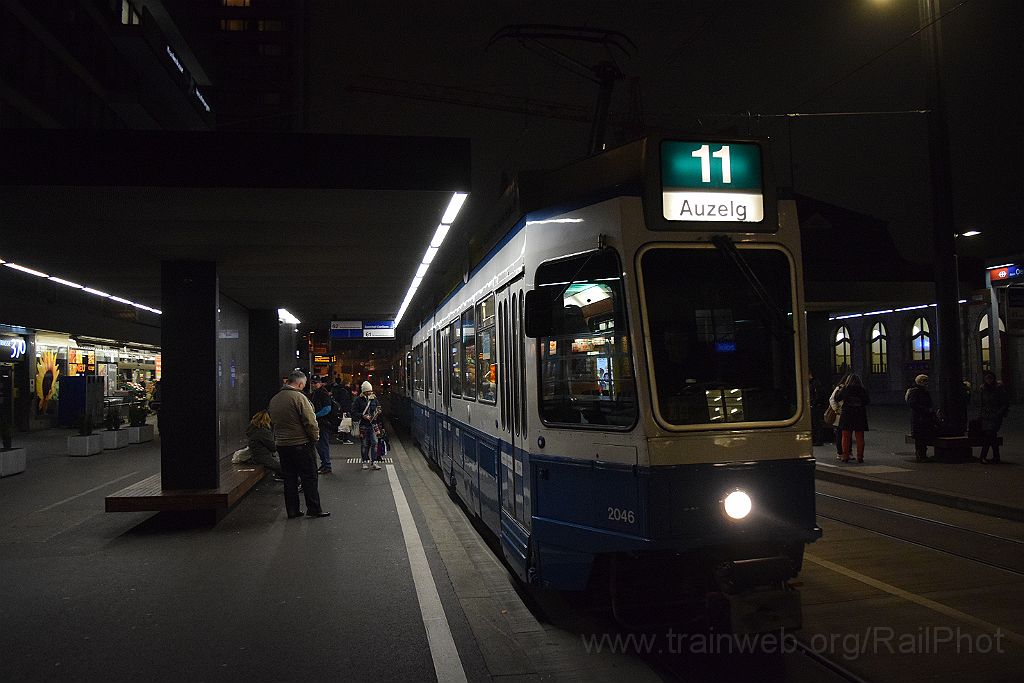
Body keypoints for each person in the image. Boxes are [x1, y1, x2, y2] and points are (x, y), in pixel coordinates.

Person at [267, 371, 329, 519]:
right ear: (300, 384)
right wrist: (315, 437)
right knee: (309, 476)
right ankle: (314, 508)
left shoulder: (275, 399)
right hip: (301, 443)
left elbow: (272, 420)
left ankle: (292, 510)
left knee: (289, 478)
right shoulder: (299, 398)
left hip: (282, 444)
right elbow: (310, 421)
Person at [977, 371, 1009, 464]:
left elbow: (1005, 402)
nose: (989, 380)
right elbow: (982, 403)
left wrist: (999, 413)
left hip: (995, 415)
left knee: (989, 434)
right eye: (987, 378)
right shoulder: (983, 389)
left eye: (990, 378)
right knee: (992, 436)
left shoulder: (999, 388)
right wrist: (980, 415)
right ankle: (996, 456)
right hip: (986, 416)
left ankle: (983, 456)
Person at [836, 373, 870, 463]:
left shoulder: (845, 389)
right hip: (859, 414)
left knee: (846, 436)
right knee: (860, 437)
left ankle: (845, 456)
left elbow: (837, 398)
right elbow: (867, 401)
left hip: (847, 414)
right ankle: (860, 457)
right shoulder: (862, 390)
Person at [351, 380, 383, 470]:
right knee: (364, 444)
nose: (370, 392)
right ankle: (365, 461)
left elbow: (378, 408)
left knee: (375, 443)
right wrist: (362, 416)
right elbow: (353, 412)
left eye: (370, 391)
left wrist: (378, 412)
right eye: (368, 391)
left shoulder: (374, 399)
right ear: (364, 391)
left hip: (373, 424)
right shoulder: (358, 400)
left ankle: (374, 462)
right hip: (363, 425)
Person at [906, 374, 936, 463]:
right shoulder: (917, 392)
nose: (927, 383)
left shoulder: (919, 391)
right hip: (920, 418)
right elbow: (913, 404)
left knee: (921, 438)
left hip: (921, 418)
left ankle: (922, 455)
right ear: (921, 382)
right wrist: (926, 410)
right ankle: (921, 456)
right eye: (926, 381)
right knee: (920, 439)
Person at [309, 375, 334, 474]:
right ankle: (325, 464)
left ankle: (326, 465)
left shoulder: (322, 393)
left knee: (322, 445)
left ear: (320, 383)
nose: (313, 385)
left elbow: (327, 408)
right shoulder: (318, 393)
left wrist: (315, 416)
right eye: (312, 383)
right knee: (320, 445)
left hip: (322, 422)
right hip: (321, 422)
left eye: (315, 383)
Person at [828, 374, 849, 457]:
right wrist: (836, 409)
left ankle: (846, 451)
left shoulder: (845, 388)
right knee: (840, 434)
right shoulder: (839, 388)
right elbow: (832, 399)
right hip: (839, 414)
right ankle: (840, 452)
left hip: (844, 413)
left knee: (844, 433)